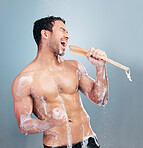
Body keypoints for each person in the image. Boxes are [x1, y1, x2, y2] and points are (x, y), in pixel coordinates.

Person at [11, 16, 108, 148]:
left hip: (88, 141)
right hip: (56, 145)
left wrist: (100, 68)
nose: (67, 36)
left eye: (67, 32)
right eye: (62, 30)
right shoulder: (25, 79)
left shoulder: (74, 67)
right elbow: (23, 124)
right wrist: (50, 123)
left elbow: (100, 99)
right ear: (45, 34)